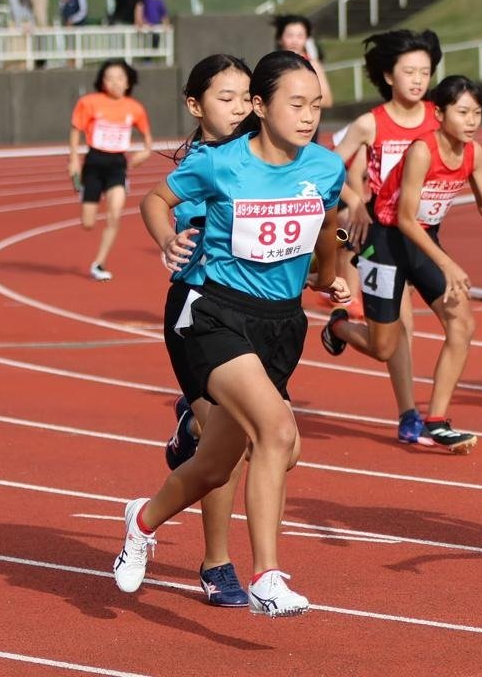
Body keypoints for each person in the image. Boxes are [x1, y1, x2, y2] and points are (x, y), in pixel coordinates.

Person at [118, 50, 349, 617]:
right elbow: (156, 198)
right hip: (212, 310)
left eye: (316, 105)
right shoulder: (221, 163)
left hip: (280, 324)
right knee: (275, 429)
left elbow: (325, 227)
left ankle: (142, 520)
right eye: (295, 104)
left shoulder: (325, 167)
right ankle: (266, 575)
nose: (308, 115)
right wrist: (165, 241)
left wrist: (328, 278)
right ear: (260, 106)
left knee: (226, 460)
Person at [323, 76, 482, 453]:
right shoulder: (422, 151)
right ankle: (338, 328)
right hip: (383, 244)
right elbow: (404, 218)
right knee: (384, 347)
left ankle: (436, 420)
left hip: (422, 242)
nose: (471, 121)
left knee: (462, 324)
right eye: (463, 112)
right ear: (440, 113)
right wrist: (448, 264)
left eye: (478, 113)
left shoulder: (473, 153)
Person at [159, 53, 255, 608]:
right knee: (232, 436)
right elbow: (162, 205)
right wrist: (166, 241)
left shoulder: (265, 155)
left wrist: (332, 263)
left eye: (246, 97)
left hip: (255, 312)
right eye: (226, 98)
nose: (240, 108)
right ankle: (217, 563)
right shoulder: (204, 165)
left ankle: (188, 432)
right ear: (196, 105)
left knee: (262, 442)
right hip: (198, 308)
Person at [327, 28, 444, 447]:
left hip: (426, 234)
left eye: (425, 72)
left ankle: (417, 412)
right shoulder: (368, 124)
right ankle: (407, 409)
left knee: (444, 318)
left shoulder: (440, 116)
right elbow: (328, 168)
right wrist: (354, 200)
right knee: (394, 335)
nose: (417, 79)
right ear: (388, 75)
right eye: (408, 71)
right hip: (381, 238)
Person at [67, 59, 154, 281]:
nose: (115, 82)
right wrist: (74, 159)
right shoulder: (89, 102)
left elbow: (147, 141)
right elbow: (76, 130)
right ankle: (86, 194)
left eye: (120, 77)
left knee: (114, 215)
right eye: (109, 77)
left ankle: (99, 263)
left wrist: (145, 152)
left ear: (128, 82)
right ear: (102, 81)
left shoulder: (135, 108)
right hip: (94, 163)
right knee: (88, 223)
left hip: (117, 165)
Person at [274, 14, 332, 108]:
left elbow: (327, 100)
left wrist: (297, 102)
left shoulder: (314, 66)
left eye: (300, 36)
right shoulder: (272, 66)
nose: (295, 41)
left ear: (307, 39)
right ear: (280, 39)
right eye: (290, 35)